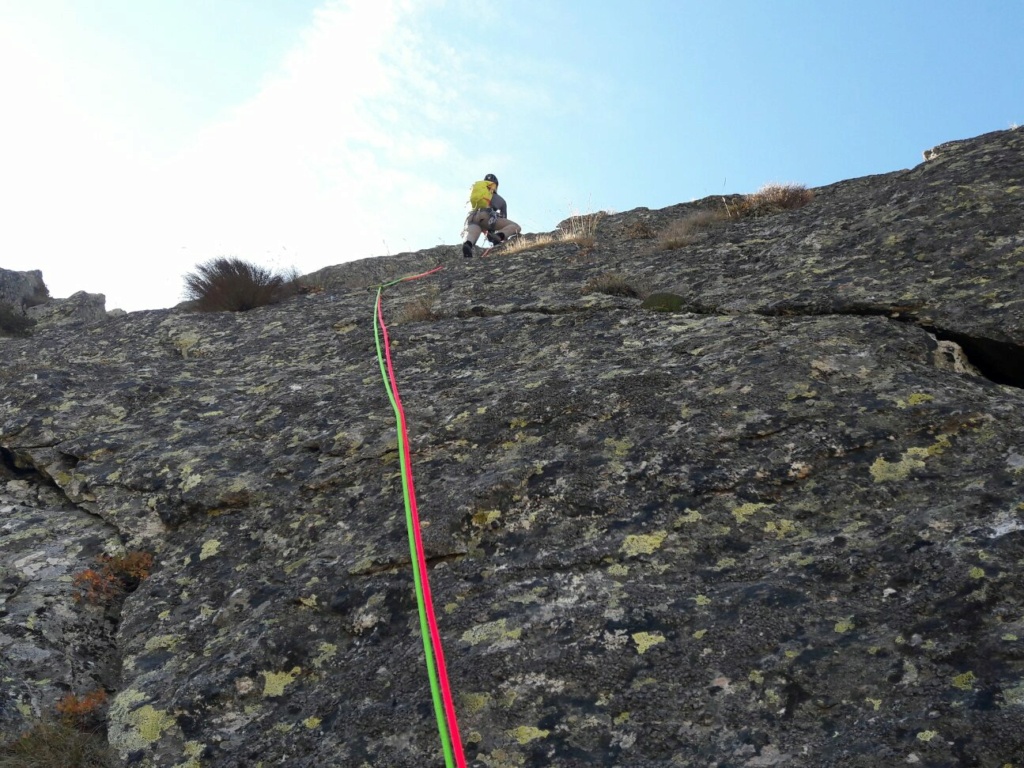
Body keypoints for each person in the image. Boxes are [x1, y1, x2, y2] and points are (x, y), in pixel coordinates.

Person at [461, 174, 521, 258]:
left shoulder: (479, 193)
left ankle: (468, 244)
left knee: (472, 234)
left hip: (471, 217)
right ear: (495, 185)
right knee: (516, 226)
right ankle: (499, 236)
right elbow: (503, 219)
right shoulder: (500, 200)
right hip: (485, 216)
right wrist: (500, 236)